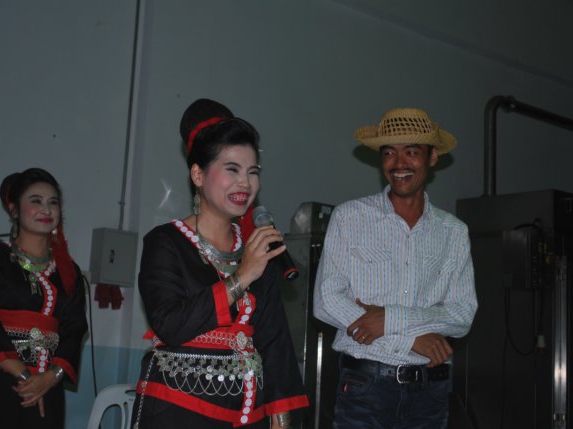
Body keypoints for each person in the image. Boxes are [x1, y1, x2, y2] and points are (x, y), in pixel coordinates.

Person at [131, 98, 309, 428]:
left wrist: (282, 418)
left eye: (252, 172)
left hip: (249, 414)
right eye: (232, 169)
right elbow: (170, 324)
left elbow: (274, 340)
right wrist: (242, 277)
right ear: (198, 175)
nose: (245, 183)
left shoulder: (258, 248)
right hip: (177, 410)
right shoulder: (165, 242)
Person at [313, 108, 478, 428]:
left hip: (431, 393)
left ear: (432, 157)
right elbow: (326, 301)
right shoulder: (349, 217)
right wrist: (410, 340)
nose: (399, 163)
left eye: (411, 152)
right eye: (389, 153)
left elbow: (462, 314)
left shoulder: (453, 232)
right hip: (365, 389)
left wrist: (388, 319)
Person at [0, 168, 88, 429]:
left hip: (48, 384)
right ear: (14, 210)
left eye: (53, 202)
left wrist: (50, 378)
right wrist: (26, 376)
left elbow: (74, 329)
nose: (46, 209)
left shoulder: (69, 271)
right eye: (35, 201)